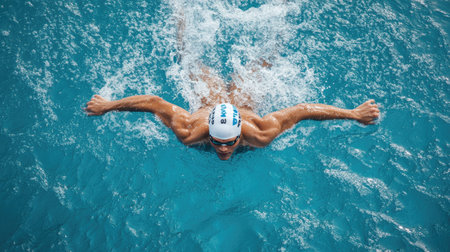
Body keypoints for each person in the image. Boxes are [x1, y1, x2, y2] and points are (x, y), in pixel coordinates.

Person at [84, 13, 380, 160]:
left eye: (229, 142)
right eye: (217, 142)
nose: (224, 149)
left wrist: (354, 114)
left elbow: (303, 110)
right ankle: (180, 11)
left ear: (240, 133)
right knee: (186, 59)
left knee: (265, 63)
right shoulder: (189, 131)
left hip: (244, 103)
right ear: (208, 134)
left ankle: (281, 16)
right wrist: (106, 106)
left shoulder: (261, 132)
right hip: (209, 101)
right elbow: (152, 102)